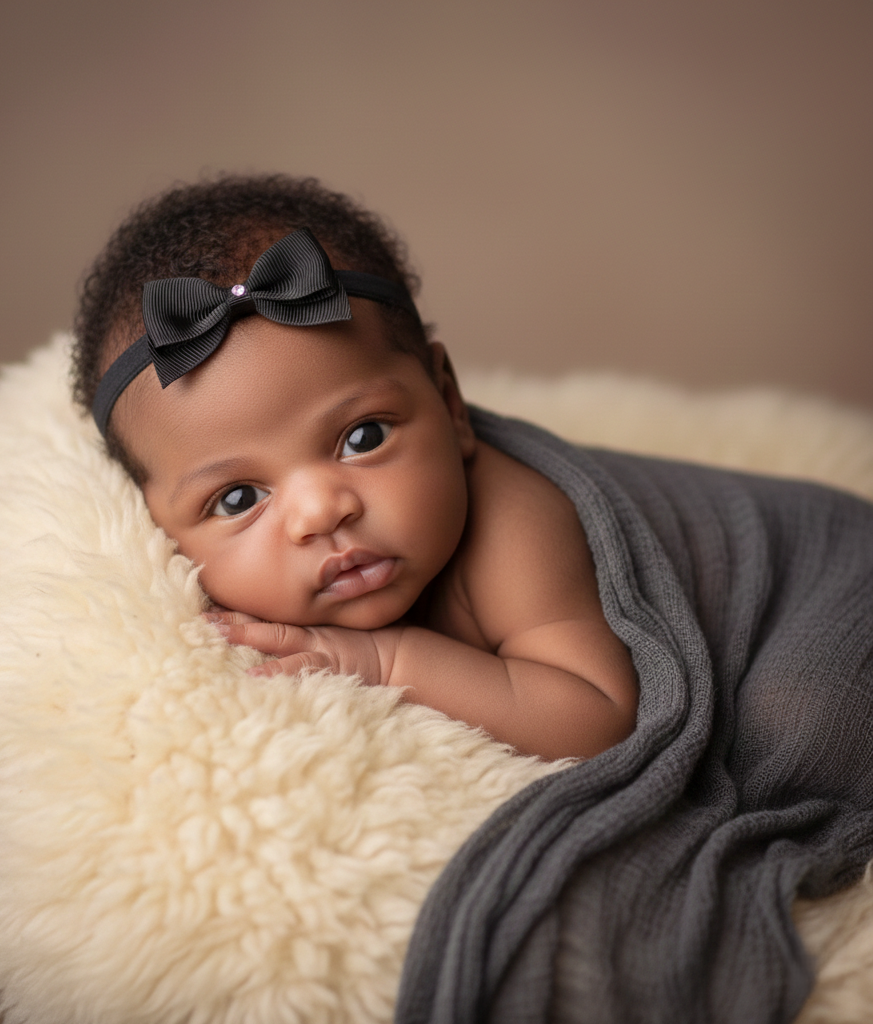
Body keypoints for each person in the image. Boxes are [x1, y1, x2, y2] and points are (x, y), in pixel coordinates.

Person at [73, 173, 638, 761]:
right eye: (238, 498)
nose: (321, 512)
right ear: (158, 529)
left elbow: (598, 718)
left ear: (449, 404)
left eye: (362, 438)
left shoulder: (515, 518)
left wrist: (384, 660)